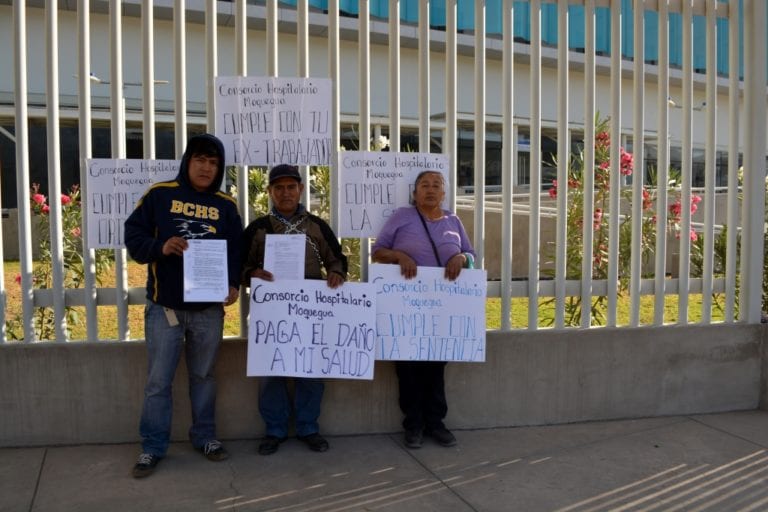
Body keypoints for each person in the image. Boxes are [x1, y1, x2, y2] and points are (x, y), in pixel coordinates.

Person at [125, 133, 243, 478]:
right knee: (158, 381)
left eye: (213, 162)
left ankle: (205, 437)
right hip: (166, 310)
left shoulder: (226, 205)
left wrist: (233, 283)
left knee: (203, 377)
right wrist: (161, 247)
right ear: (187, 162)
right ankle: (152, 447)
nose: (206, 168)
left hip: (209, 311)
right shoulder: (160, 195)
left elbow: (236, 249)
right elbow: (133, 237)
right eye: (200, 160)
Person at [241, 164, 347, 455]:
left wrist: (336, 273)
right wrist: (252, 273)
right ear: (270, 192)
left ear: (301, 189)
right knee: (271, 371)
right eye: (279, 188)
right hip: (272, 313)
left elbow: (335, 258)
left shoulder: (316, 226)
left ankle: (307, 427)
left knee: (310, 371)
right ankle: (274, 430)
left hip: (310, 311)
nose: (285, 192)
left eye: (291, 187)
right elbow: (239, 265)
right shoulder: (258, 228)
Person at [371, 170, 475, 449]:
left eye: (436, 185)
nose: (430, 190)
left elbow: (472, 255)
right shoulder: (402, 218)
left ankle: (436, 424)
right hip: (406, 306)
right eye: (424, 185)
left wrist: (461, 257)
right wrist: (399, 255)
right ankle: (413, 425)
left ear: (443, 193)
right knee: (408, 367)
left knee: (435, 366)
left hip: (442, 307)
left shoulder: (453, 220)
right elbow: (378, 251)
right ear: (415, 193)